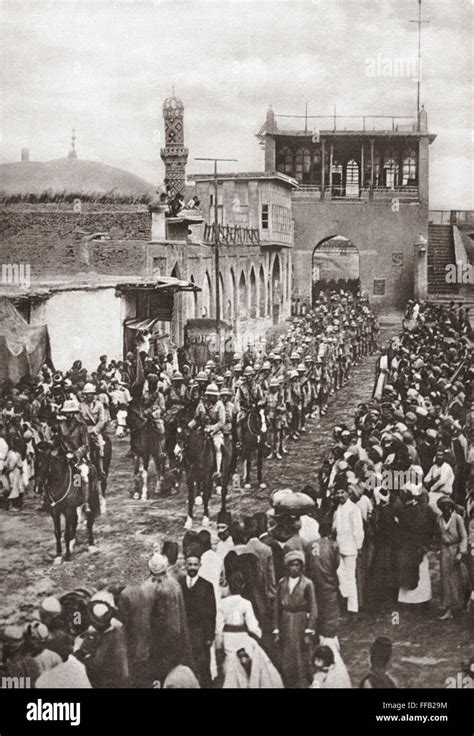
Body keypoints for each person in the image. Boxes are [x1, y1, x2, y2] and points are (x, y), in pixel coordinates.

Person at [216, 572, 281, 688]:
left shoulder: (223, 603)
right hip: (241, 638)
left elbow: (219, 627)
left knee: (232, 665)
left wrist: (219, 644)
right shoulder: (246, 603)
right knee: (249, 662)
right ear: (243, 586)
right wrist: (259, 634)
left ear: (228, 585)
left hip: (228, 639)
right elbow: (252, 626)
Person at [148, 552, 195, 685]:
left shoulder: (146, 587)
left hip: (155, 640)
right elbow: (181, 614)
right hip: (174, 637)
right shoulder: (174, 585)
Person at [273, 550, 317, 688]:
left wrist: (309, 630)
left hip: (300, 621)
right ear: (287, 567)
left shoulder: (307, 583)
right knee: (286, 657)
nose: (295, 568)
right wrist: (276, 629)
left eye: (298, 565)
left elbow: (314, 608)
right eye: (292, 565)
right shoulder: (282, 583)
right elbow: (276, 608)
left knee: (301, 657)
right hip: (286, 621)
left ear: (302, 567)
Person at [178, 546, 216, 687]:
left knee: (203, 665)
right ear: (185, 565)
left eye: (195, 564)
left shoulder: (207, 586)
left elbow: (212, 613)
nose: (192, 567)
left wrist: (209, 636)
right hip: (184, 631)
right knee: (185, 665)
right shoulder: (179, 584)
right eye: (190, 564)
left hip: (200, 633)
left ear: (200, 565)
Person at [332, 485, 364, 614]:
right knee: (340, 575)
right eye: (338, 493)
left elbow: (358, 530)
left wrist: (358, 546)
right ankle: (344, 600)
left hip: (350, 547)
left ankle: (353, 608)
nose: (340, 495)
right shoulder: (338, 508)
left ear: (348, 493)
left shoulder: (353, 508)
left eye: (342, 492)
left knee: (350, 577)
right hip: (339, 546)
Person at [436, 497, 469, 618]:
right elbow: (438, 535)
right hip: (445, 550)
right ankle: (448, 608)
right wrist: (438, 549)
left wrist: (461, 552)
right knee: (445, 579)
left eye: (448, 506)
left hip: (456, 549)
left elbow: (464, 536)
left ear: (451, 507)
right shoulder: (439, 519)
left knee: (460, 578)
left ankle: (463, 601)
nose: (446, 509)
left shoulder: (458, 518)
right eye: (443, 507)